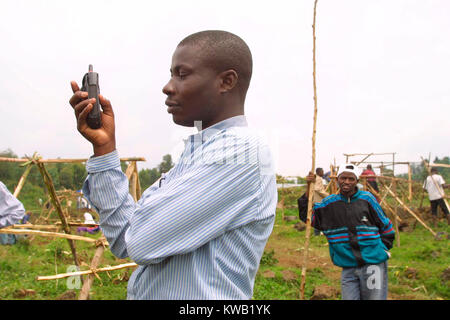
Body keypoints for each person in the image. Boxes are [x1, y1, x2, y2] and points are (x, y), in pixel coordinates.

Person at [68, 30, 277, 299]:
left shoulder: (242, 151)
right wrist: (104, 147)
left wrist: (140, 223)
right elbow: (125, 239)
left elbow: (139, 241)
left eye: (182, 74)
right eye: (171, 74)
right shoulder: (195, 155)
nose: (168, 86)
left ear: (226, 81)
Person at [298, 164, 395, 300]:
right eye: (343, 178)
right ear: (338, 179)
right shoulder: (329, 204)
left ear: (357, 181)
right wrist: (309, 186)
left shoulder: (367, 199)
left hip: (373, 264)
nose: (347, 182)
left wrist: (382, 248)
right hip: (348, 266)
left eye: (351, 179)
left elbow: (385, 224)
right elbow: (307, 215)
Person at [310, 167, 329, 235]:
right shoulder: (318, 178)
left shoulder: (318, 178)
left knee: (318, 216)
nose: (323, 173)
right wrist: (327, 195)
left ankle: (318, 232)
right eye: (322, 171)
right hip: (318, 200)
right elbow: (317, 189)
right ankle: (317, 232)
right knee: (318, 217)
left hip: (317, 200)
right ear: (319, 172)